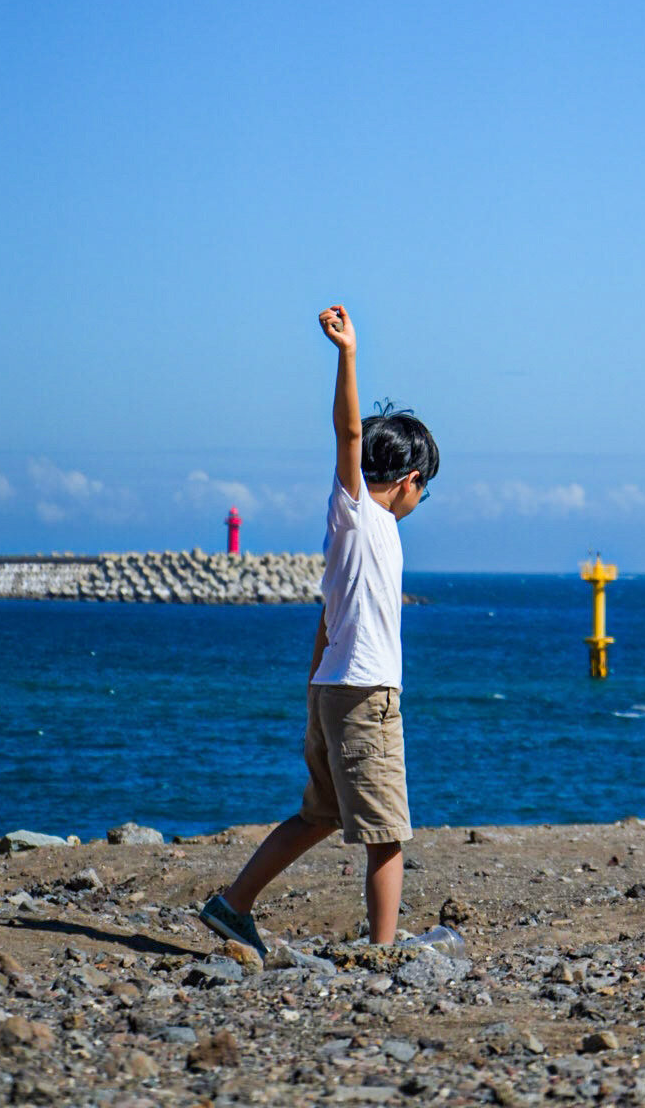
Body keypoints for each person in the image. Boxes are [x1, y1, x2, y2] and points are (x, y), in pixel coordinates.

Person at [199, 304, 439, 957]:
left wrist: (313, 690)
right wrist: (348, 353)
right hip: (363, 694)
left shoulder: (364, 533)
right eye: (423, 491)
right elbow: (349, 434)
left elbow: (327, 618)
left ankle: (233, 905)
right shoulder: (358, 512)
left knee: (321, 814)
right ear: (411, 481)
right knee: (387, 834)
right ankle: (383, 952)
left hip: (332, 686)